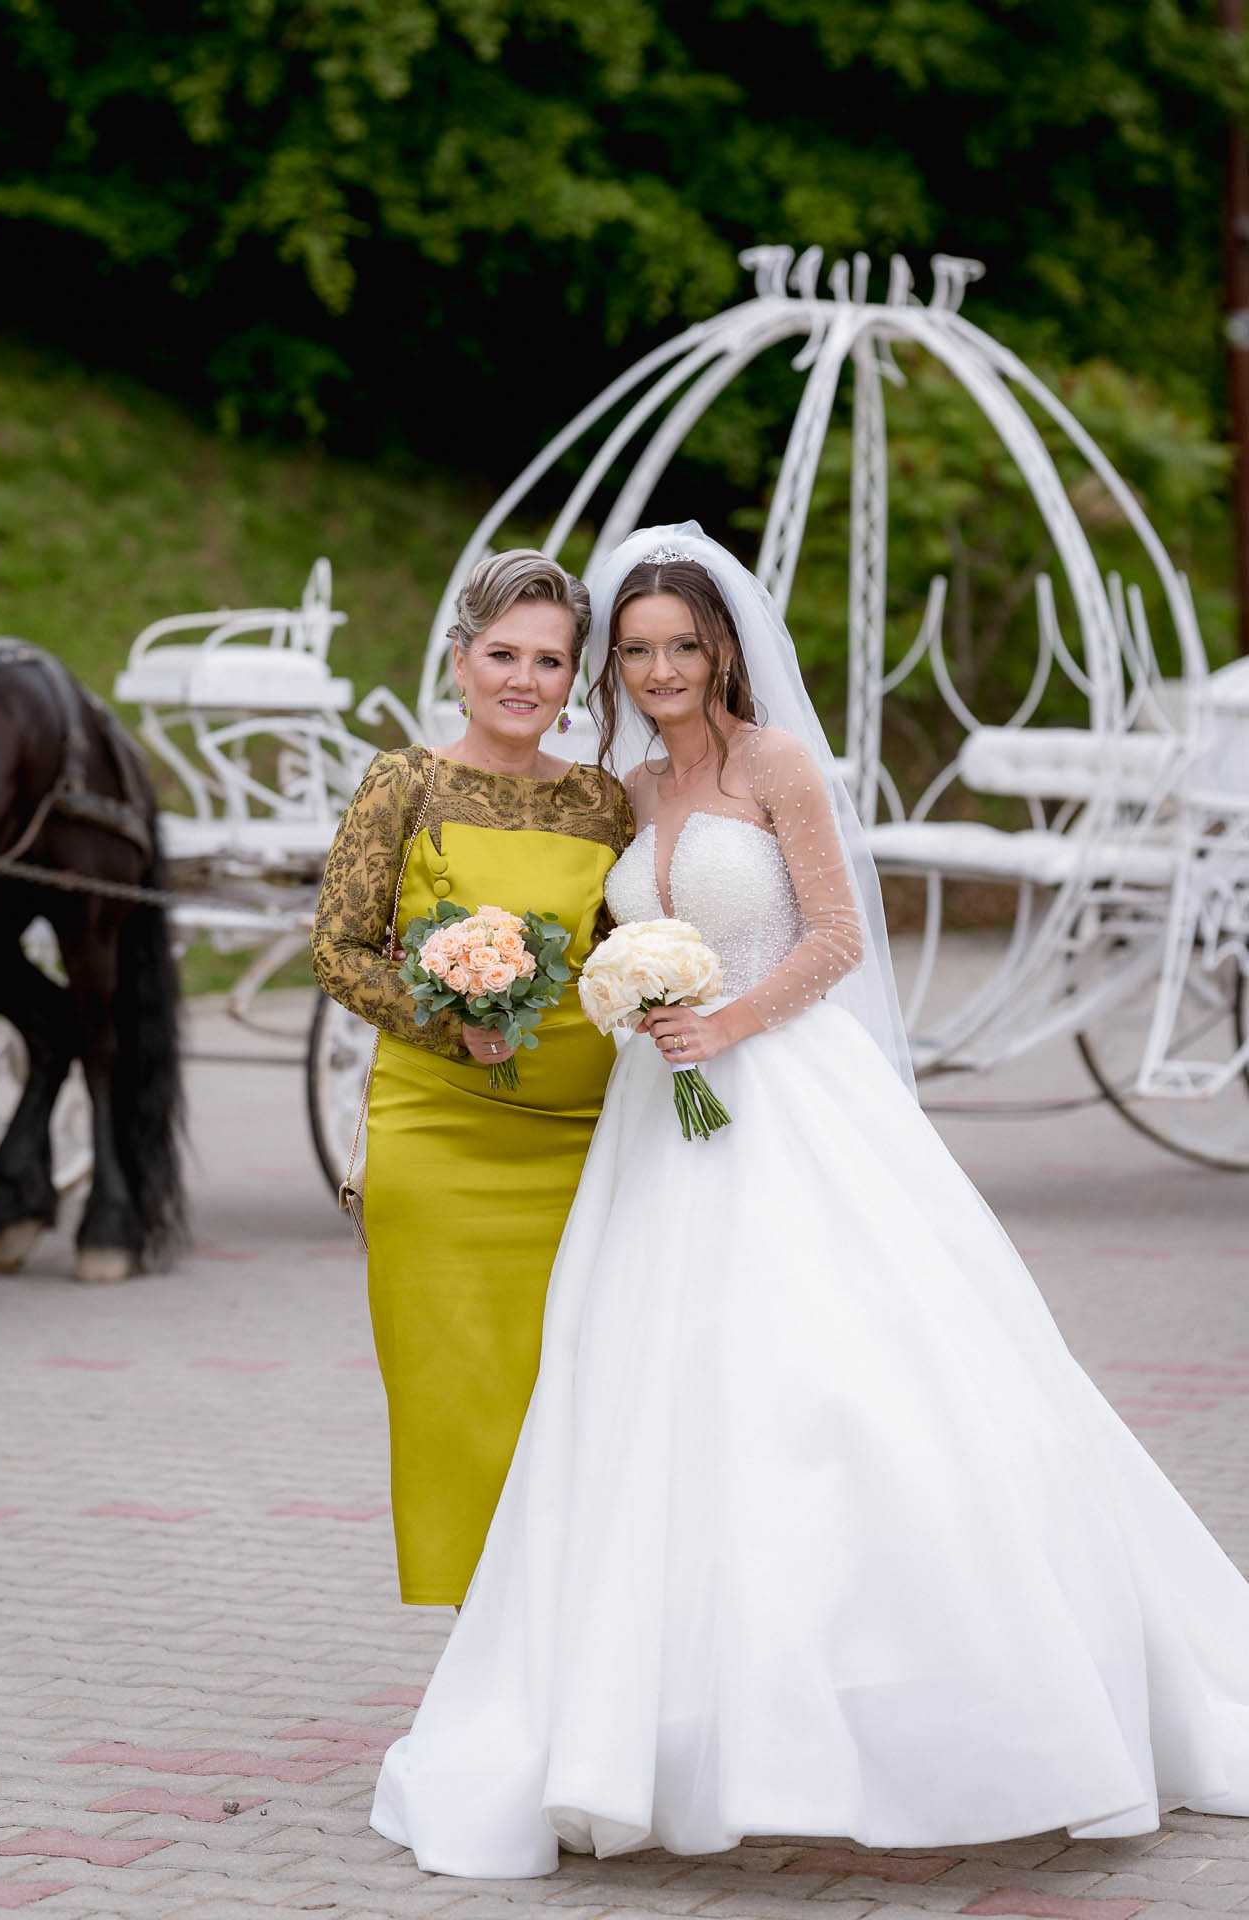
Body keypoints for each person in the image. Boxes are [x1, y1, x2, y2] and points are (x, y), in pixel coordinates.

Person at [369, 523, 1249, 1874]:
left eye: (682, 645)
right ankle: (671, 1716)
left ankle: (941, 1697)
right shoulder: (626, 788)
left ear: (723, 647)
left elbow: (836, 937)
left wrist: (725, 1022)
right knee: (654, 1395)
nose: (660, 670)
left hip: (785, 1094)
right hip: (656, 1123)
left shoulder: (777, 764)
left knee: (843, 1385)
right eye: (635, 651)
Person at [311, 549, 633, 1610]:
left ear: (574, 679)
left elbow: (625, 953)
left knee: (569, 1396)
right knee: (452, 1398)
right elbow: (338, 951)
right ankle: (479, 1643)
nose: (523, 680)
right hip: (438, 1136)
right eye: (502, 654)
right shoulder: (402, 783)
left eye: (549, 660)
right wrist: (451, 1025)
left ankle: (560, 1631)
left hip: (582, 1143)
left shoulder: (602, 802)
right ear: (459, 662)